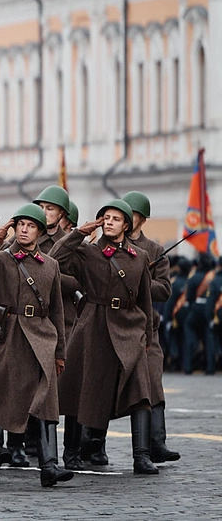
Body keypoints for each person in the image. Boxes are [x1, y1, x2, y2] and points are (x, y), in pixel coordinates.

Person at [0, 203, 72, 487]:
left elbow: (57, 311)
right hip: (5, 335)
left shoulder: (51, 265)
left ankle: (49, 466)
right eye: (20, 224)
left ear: (39, 231)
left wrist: (60, 353)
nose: (24, 230)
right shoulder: (0, 259)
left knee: (46, 398)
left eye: (30, 225)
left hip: (40, 338)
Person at [53, 199, 158, 476]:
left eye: (115, 219)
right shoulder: (87, 252)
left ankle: (142, 456)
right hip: (93, 324)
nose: (109, 222)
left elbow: (145, 300)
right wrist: (79, 234)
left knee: (140, 390)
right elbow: (55, 259)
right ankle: (71, 452)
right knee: (81, 388)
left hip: (129, 327)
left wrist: (147, 335)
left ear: (126, 225)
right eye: (106, 218)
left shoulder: (139, 256)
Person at [122, 191, 180, 464]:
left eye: (131, 215)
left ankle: (156, 442)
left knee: (153, 382)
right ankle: (91, 443)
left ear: (142, 219)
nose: (125, 219)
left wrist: (141, 280)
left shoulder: (155, 251)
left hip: (146, 326)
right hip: (113, 324)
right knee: (101, 384)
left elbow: (165, 290)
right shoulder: (107, 247)